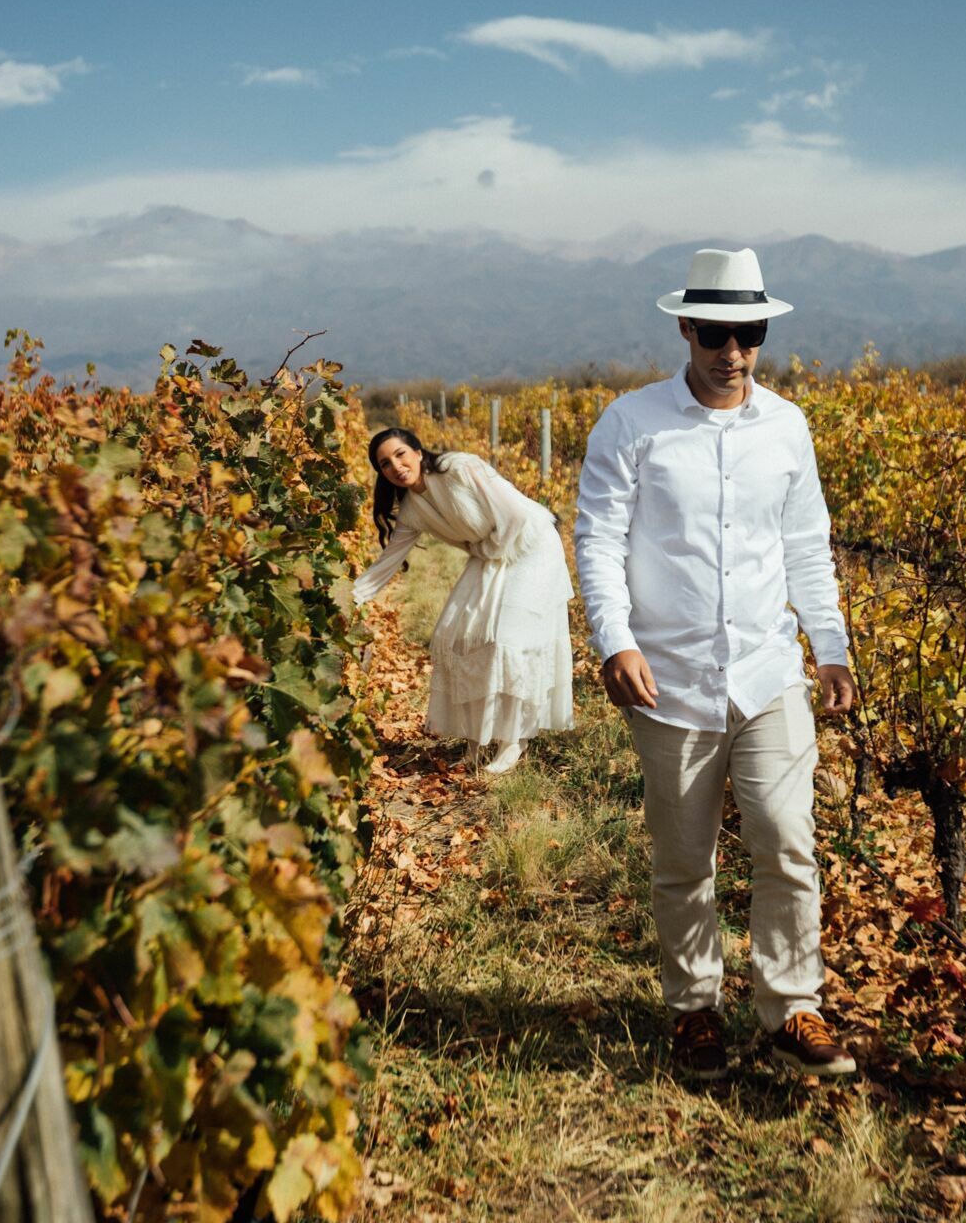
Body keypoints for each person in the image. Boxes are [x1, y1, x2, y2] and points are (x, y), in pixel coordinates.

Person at [574, 247, 859, 1081]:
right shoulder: (631, 424)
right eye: (715, 334)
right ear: (686, 329)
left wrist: (831, 646)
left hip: (768, 673)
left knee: (787, 840)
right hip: (669, 680)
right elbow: (597, 540)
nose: (732, 351)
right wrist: (615, 641)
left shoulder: (788, 428)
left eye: (749, 334)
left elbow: (806, 545)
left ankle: (792, 1006)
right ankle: (695, 1009)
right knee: (683, 860)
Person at [354, 426, 574, 773]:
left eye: (400, 454)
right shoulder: (412, 510)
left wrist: (487, 550)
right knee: (457, 638)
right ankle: (478, 738)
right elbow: (387, 563)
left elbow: (515, 515)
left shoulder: (460, 468)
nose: (396, 466)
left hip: (530, 545)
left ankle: (513, 741)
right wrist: (348, 600)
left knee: (508, 640)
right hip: (491, 553)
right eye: (385, 464)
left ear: (418, 451)